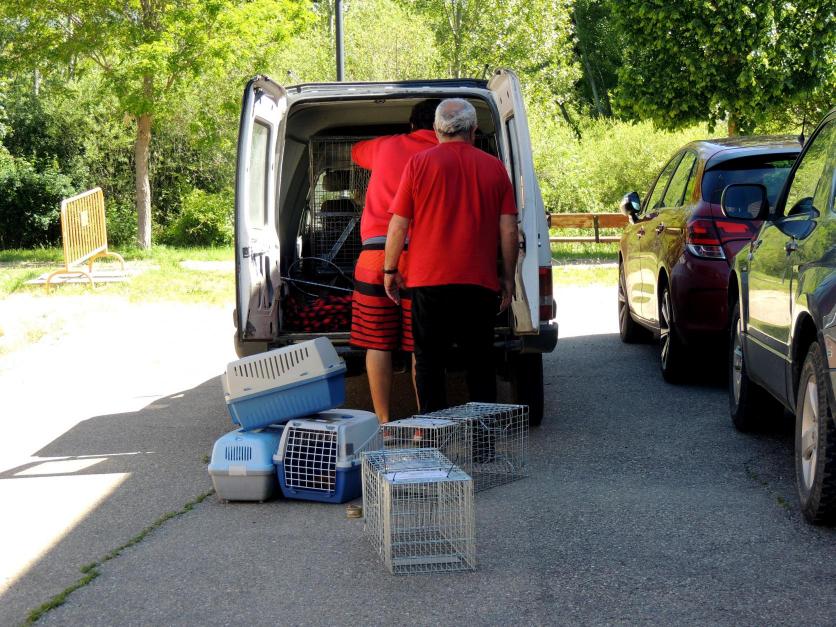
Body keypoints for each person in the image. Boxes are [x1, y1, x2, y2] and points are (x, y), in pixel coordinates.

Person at [383, 98, 519, 412]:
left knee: (429, 363)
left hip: (428, 281)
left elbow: (398, 225)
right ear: (473, 130)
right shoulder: (494, 167)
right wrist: (508, 278)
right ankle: (483, 436)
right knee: (480, 362)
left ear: (436, 129)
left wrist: (390, 270)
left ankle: (435, 434)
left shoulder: (418, 164)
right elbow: (509, 229)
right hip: (479, 282)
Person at [349, 99, 440, 423]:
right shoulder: (445, 152)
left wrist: (388, 143)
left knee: (377, 343)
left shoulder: (387, 146)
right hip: (421, 259)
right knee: (419, 345)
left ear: (412, 125)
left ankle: (383, 422)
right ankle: (423, 422)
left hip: (374, 256)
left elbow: (355, 152)